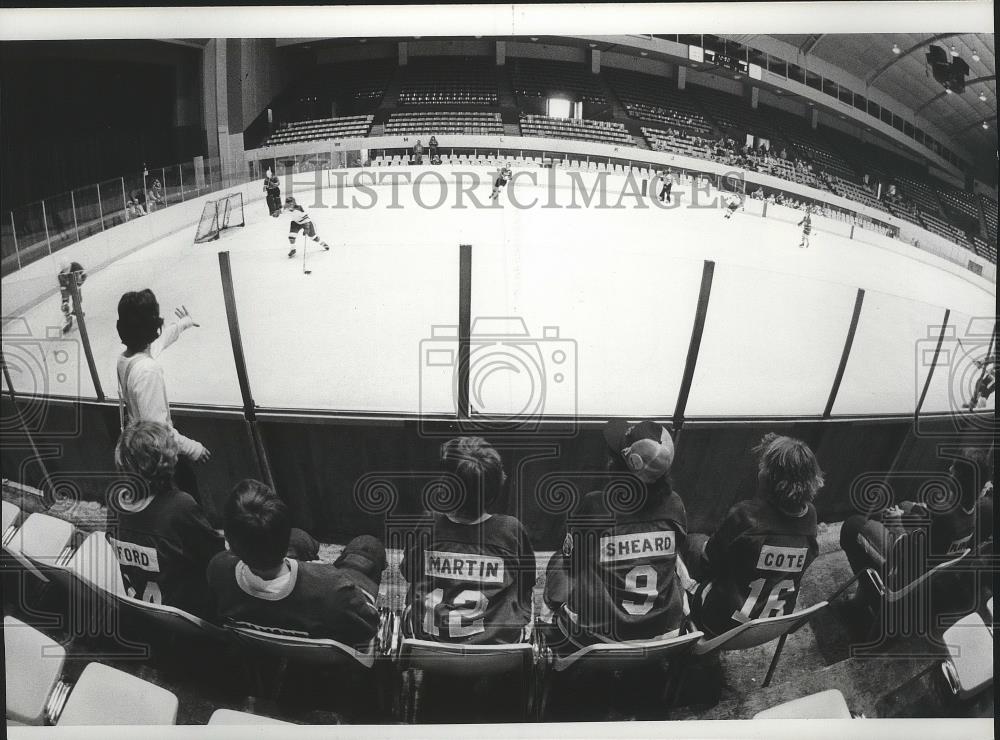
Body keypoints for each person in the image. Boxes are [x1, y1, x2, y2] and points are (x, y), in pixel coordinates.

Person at [544, 420, 688, 652]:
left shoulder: (595, 505)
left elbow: (572, 563)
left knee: (560, 561)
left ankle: (553, 627)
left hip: (598, 637)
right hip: (662, 634)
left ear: (621, 463)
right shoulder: (675, 504)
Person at [207, 479, 384, 644]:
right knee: (367, 544)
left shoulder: (218, 568)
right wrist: (317, 571)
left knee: (300, 538)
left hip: (268, 630)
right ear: (285, 544)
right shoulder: (334, 587)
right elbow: (368, 627)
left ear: (228, 542)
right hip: (327, 607)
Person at [682, 434, 822, 638]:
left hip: (721, 624)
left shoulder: (746, 516)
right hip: (770, 626)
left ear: (769, 478)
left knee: (693, 542)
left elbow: (709, 560)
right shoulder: (810, 515)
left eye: (763, 467)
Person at [400, 437, 535, 644]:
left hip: (430, 647)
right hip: (496, 652)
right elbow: (527, 582)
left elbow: (408, 572)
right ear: (497, 485)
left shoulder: (429, 523)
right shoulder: (511, 529)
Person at [840, 446, 993, 609]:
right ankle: (866, 592)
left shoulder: (946, 515)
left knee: (852, 525)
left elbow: (906, 549)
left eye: (954, 468)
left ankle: (870, 599)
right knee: (893, 510)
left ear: (959, 479)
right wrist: (911, 508)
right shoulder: (972, 510)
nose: (949, 469)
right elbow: (932, 520)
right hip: (929, 568)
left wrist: (896, 522)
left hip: (908, 570)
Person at [107, 421, 223, 617]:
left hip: (148, 612)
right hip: (190, 615)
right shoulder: (179, 506)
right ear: (167, 461)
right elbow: (216, 558)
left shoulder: (115, 501)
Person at [117, 289, 211, 499]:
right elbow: (159, 431)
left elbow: (157, 344)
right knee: (186, 498)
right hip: (159, 459)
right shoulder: (148, 371)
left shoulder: (126, 359)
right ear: (152, 327)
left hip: (143, 452)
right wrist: (193, 448)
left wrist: (182, 324)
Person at [57, 261, 86, 334]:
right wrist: (65, 301)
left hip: (76, 286)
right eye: (64, 270)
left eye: (67, 269)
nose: (66, 271)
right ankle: (68, 318)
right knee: (64, 306)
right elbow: (63, 289)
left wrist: (79, 284)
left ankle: (75, 310)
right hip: (67, 288)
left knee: (79, 300)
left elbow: (84, 275)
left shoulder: (76, 266)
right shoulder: (61, 275)